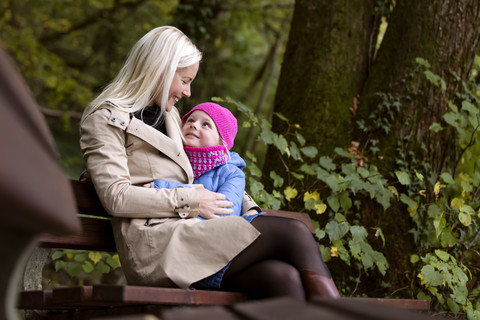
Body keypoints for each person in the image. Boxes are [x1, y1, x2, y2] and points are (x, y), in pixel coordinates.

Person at [80, 26, 340, 300]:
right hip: (158, 245)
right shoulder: (105, 118)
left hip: (197, 233)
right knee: (293, 233)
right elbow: (116, 197)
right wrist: (190, 199)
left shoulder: (171, 117)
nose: (188, 92)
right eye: (185, 80)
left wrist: (246, 207)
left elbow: (211, 166)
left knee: (282, 278)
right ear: (161, 69)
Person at [150, 102, 258, 221]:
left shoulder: (232, 173)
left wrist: (163, 187)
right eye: (191, 120)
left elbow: (224, 215)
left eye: (206, 124)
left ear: (223, 141)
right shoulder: (172, 158)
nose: (194, 125)